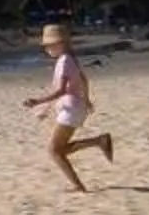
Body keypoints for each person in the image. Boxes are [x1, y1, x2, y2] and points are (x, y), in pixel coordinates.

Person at [23, 22, 114, 192]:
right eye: (46, 46)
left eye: (50, 45)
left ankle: (78, 186)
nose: (47, 49)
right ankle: (99, 141)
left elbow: (61, 90)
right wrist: (86, 100)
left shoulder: (65, 61)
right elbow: (84, 80)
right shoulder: (69, 59)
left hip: (71, 109)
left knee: (54, 151)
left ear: (61, 44)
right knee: (59, 149)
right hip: (74, 108)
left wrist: (38, 101)